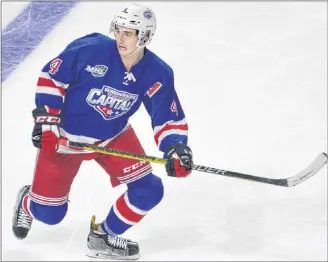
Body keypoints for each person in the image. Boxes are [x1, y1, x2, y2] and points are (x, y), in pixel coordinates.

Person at [12, 3, 193, 260]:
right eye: (119, 29)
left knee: (149, 190)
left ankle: (102, 237)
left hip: (112, 137)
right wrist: (47, 123)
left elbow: (166, 114)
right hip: (65, 139)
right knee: (49, 215)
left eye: (129, 33)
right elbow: (51, 77)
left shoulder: (158, 73)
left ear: (145, 36)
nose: (121, 37)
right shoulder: (91, 50)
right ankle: (28, 202)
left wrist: (176, 147)